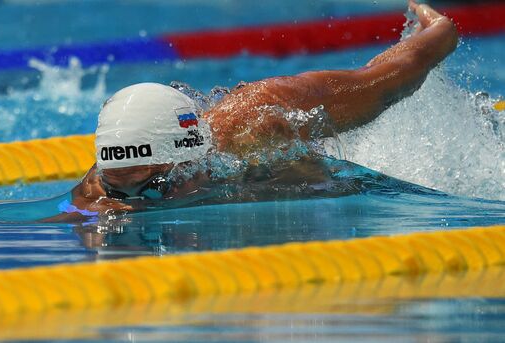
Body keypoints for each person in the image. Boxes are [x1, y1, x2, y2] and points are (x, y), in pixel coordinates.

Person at [49, 1, 459, 222]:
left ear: (188, 159)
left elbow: (392, 77)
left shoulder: (265, 118)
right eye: (120, 187)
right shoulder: (114, 175)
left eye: (150, 188)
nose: (134, 200)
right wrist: (91, 216)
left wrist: (439, 29)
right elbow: (63, 216)